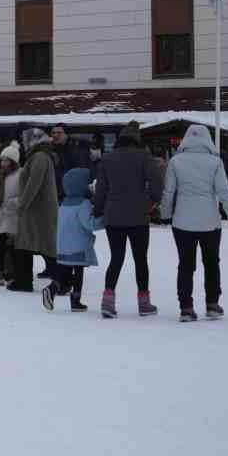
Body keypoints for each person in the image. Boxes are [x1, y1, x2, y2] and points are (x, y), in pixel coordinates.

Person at [160, 123, 228, 321]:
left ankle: (186, 308)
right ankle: (213, 304)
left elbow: (169, 192)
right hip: (210, 222)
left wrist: (165, 214)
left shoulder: (176, 161)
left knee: (185, 265)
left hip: (182, 222)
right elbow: (224, 192)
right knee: (212, 263)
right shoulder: (215, 162)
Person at [92, 124, 158, 317]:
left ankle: (108, 301)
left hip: (113, 216)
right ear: (136, 139)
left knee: (116, 258)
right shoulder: (144, 157)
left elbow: (101, 190)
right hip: (139, 216)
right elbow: (157, 186)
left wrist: (97, 209)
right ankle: (144, 303)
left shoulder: (107, 158)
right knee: (140, 260)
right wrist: (150, 202)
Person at [44, 166, 100, 312]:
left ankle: (53, 287)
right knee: (78, 274)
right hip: (78, 247)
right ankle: (75, 301)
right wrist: (105, 220)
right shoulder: (83, 204)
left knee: (66, 273)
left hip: (63, 247)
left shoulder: (63, 204)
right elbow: (90, 223)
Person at [15, 129, 61, 283]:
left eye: (24, 140)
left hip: (38, 209)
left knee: (42, 245)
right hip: (37, 209)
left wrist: (22, 204)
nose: (23, 144)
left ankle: (61, 280)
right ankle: (24, 280)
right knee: (31, 244)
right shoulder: (39, 156)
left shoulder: (39, 157)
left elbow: (33, 183)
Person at [0, 144, 32, 289]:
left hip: (13, 217)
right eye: (2, 160)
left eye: (7, 160)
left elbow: (25, 194)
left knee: (13, 249)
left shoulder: (21, 174)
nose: (3, 163)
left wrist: (13, 203)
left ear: (14, 161)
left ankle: (12, 273)